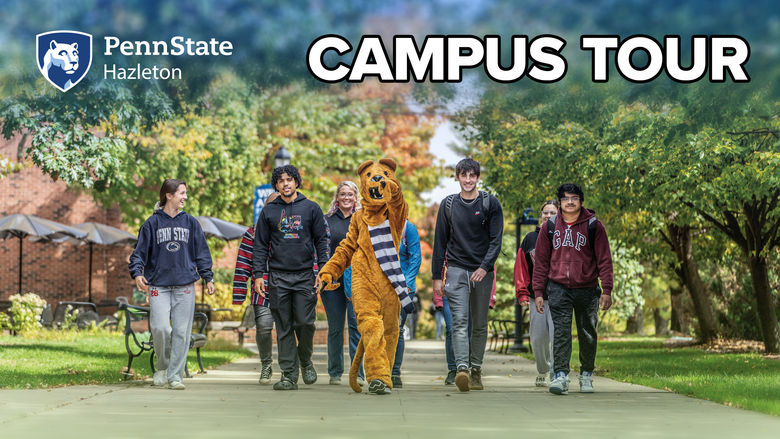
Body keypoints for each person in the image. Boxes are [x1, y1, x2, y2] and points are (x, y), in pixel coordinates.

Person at [129, 179, 215, 390]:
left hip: (185, 285)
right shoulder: (151, 223)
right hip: (159, 285)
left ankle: (175, 376)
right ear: (169, 195)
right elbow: (139, 253)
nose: (185, 197)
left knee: (181, 332)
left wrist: (208, 277)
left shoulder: (191, 223)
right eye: (182, 193)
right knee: (160, 328)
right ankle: (162, 366)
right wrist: (137, 274)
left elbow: (202, 253)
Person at [252, 165, 330, 391]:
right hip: (277, 276)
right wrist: (259, 275)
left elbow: (322, 242)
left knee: (305, 323)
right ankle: (288, 374)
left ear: (297, 182)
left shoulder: (311, 208)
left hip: (305, 275)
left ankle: (304, 360)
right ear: (276, 185)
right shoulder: (268, 212)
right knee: (284, 326)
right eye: (281, 181)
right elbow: (260, 246)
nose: (285, 184)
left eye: (289, 180)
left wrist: (323, 270)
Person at [533, 183, 614, 395]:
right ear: (559, 202)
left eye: (575, 198)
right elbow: (541, 262)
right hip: (558, 287)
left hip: (587, 288)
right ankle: (560, 376)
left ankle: (586, 375)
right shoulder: (549, 226)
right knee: (560, 332)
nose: (570, 202)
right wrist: (539, 292)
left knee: (587, 332)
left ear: (581, 201)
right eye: (566, 198)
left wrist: (607, 289)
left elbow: (604, 259)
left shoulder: (594, 226)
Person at [432, 158, 503, 392]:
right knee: (459, 323)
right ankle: (461, 368)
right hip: (456, 270)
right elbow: (440, 242)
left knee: (480, 324)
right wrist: (436, 277)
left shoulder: (490, 204)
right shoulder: (448, 205)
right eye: (464, 175)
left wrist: (484, 267)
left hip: (482, 272)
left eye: (473, 175)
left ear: (478, 177)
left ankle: (476, 370)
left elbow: (496, 241)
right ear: (458, 177)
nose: (468, 180)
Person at [232, 192, 280, 385]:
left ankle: (289, 367)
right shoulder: (253, 232)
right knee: (263, 328)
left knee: (290, 329)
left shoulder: (293, 230)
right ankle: (266, 364)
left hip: (289, 286)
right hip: (263, 289)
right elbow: (243, 263)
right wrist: (239, 294)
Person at [322, 181, 364, 385]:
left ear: (356, 197)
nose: (346, 198)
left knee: (356, 327)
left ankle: (359, 373)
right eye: (342, 194)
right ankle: (335, 373)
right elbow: (321, 250)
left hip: (356, 280)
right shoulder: (326, 221)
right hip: (332, 282)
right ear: (337, 198)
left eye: (350, 194)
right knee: (336, 328)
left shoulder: (363, 220)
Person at [514, 199, 558, 387]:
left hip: (559, 297)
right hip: (536, 298)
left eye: (552, 213)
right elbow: (521, 268)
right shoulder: (530, 239)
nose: (548, 216)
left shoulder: (564, 237)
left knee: (558, 338)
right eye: (545, 213)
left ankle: (558, 372)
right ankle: (543, 370)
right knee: (538, 338)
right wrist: (522, 293)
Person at [391, 220, 421, 388]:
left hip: (403, 287)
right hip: (380, 286)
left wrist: (406, 285)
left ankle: (395, 372)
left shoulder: (407, 228)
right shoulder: (375, 223)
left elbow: (415, 257)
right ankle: (379, 369)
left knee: (397, 329)